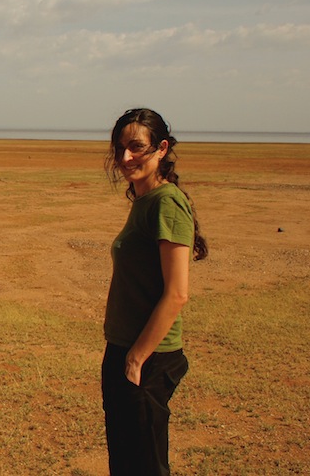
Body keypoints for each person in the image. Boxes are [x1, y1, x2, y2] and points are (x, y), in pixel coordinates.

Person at [102, 108, 208, 475]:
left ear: (161, 149)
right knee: (127, 462)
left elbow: (177, 293)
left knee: (145, 466)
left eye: (136, 147)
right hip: (124, 349)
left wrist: (135, 358)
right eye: (120, 149)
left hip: (148, 357)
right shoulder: (144, 201)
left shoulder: (167, 203)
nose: (125, 157)